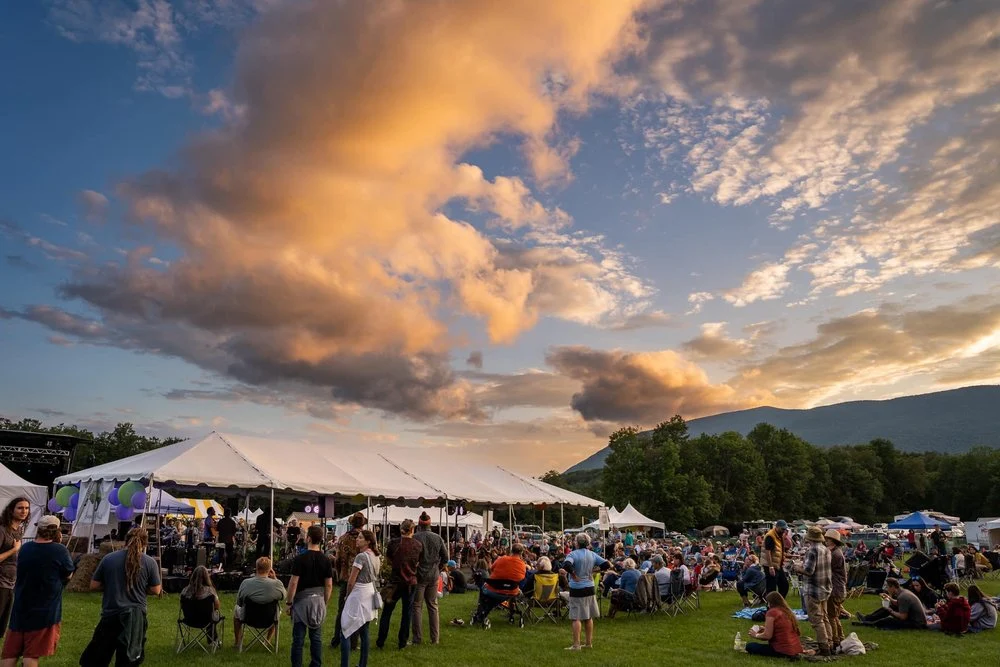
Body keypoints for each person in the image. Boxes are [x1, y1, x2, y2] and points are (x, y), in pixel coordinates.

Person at [80, 527, 162, 666]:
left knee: (97, 658)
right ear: (145, 543)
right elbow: (156, 590)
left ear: (125, 540)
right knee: (128, 659)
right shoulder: (149, 562)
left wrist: (111, 585)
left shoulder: (109, 558)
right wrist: (141, 588)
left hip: (111, 612)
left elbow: (93, 585)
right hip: (135, 617)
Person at [0, 515, 73, 667]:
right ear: (57, 531)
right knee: (31, 654)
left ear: (38, 529)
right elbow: (68, 573)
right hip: (44, 609)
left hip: (21, 606)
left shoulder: (26, 548)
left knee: (10, 652)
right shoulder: (60, 550)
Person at [286, 525, 333, 667]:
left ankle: (297, 665)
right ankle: (316, 664)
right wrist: (325, 601)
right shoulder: (326, 560)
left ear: (309, 538)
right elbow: (329, 585)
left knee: (298, 638)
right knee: (316, 637)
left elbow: (293, 583)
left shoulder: (300, 559)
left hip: (301, 600)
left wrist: (289, 602)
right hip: (318, 599)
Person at [375, 519, 422, 650]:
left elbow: (389, 560)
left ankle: (381, 640)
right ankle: (402, 641)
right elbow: (418, 562)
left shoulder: (393, 544)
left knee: (387, 612)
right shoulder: (418, 545)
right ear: (413, 530)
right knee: (407, 613)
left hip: (395, 582)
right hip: (410, 582)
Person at [560, 533, 610, 651]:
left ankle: (576, 645)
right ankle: (588, 643)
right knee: (588, 616)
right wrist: (594, 571)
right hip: (590, 587)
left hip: (577, 587)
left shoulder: (572, 554)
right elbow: (606, 564)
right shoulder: (592, 554)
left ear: (577, 542)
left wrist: (573, 574)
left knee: (576, 617)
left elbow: (566, 565)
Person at [340, 530, 380, 667]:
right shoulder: (375, 556)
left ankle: (344, 664)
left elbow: (351, 581)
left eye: (361, 538)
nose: (357, 539)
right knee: (364, 631)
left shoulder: (361, 557)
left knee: (345, 628)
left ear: (368, 541)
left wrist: (347, 595)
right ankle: (363, 664)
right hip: (370, 591)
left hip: (359, 592)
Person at [795, 526, 832, 656]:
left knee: (816, 620)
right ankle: (830, 642)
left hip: (813, 589)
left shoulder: (812, 550)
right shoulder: (826, 549)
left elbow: (809, 571)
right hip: (825, 588)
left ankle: (824, 647)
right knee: (825, 617)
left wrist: (797, 567)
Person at [470, 544, 528, 628]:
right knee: (512, 594)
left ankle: (481, 612)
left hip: (494, 590)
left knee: (483, 590)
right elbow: (521, 578)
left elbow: (492, 568)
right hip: (511, 591)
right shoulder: (522, 565)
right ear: (521, 552)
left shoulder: (502, 559)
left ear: (511, 551)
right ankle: (511, 614)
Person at [331, 512, 366, 650]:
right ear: (363, 523)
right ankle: (353, 643)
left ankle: (336, 640)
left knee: (342, 610)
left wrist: (340, 573)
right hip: (361, 579)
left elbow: (338, 559)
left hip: (346, 577)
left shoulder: (343, 538)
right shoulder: (366, 538)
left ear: (351, 523)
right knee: (357, 611)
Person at [411, 512, 447, 646]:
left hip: (419, 576)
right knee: (433, 606)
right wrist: (438, 568)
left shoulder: (415, 537)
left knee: (417, 606)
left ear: (419, 524)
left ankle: (417, 638)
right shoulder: (437, 538)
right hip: (433, 575)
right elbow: (446, 558)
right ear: (430, 524)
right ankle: (435, 639)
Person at [234, 557, 285, 646]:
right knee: (277, 611)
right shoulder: (277, 584)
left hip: (249, 618)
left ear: (256, 568)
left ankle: (238, 641)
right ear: (269, 570)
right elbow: (283, 596)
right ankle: (267, 640)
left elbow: (239, 602)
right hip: (269, 619)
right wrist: (275, 578)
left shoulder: (245, 583)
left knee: (236, 610)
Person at [745, 592, 809, 658]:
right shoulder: (787, 611)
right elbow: (782, 629)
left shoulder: (772, 612)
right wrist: (765, 629)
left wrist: (755, 635)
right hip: (796, 649)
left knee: (750, 646)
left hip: (783, 650)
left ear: (770, 602)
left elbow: (767, 636)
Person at [0, 498, 29, 639]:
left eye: (26, 508)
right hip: (0, 583)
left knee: (2, 626)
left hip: (11, 582)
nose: (24, 511)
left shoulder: (18, 530)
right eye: (20, 508)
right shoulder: (2, 530)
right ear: (11, 510)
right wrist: (14, 550)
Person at [854, 577, 927, 630]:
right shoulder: (903, 592)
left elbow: (903, 617)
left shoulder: (903, 597)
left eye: (887, 587)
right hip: (914, 620)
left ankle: (867, 624)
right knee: (887, 608)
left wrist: (890, 611)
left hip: (916, 624)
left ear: (893, 587)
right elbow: (898, 603)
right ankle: (867, 618)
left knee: (888, 619)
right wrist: (889, 598)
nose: (886, 589)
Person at [180, 566, 220, 643]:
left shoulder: (185, 591)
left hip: (189, 619)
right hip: (207, 620)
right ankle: (213, 640)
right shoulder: (210, 591)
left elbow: (181, 606)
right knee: (213, 615)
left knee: (210, 615)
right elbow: (217, 606)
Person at [824, 529, 847, 648]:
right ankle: (840, 637)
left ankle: (835, 640)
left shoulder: (835, 554)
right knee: (835, 615)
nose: (825, 542)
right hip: (839, 588)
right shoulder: (837, 552)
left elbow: (826, 567)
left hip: (835, 589)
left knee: (831, 616)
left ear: (832, 541)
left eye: (827, 540)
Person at [760, 520, 789, 598]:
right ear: (777, 527)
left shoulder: (778, 535)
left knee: (784, 585)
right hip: (770, 565)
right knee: (771, 588)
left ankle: (779, 604)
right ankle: (770, 607)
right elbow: (767, 552)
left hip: (777, 565)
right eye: (782, 529)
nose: (784, 531)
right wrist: (770, 567)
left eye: (785, 529)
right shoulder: (770, 536)